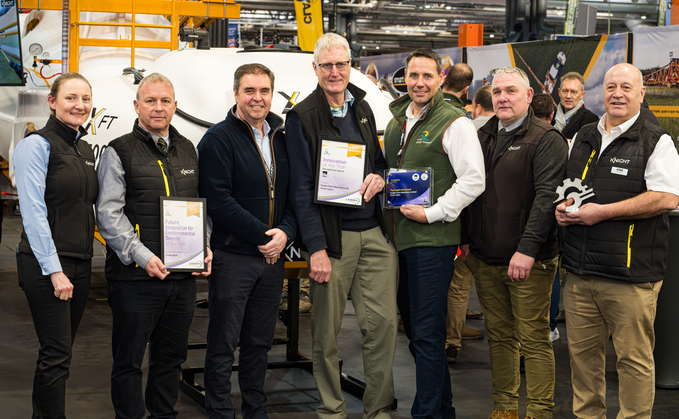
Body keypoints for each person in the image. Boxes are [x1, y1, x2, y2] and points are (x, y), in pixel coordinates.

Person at [285, 33, 399, 419]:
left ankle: (379, 410)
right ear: (315, 68)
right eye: (327, 65)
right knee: (326, 335)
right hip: (332, 241)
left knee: (382, 327)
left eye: (342, 64)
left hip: (375, 235)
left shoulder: (363, 109)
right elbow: (300, 189)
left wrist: (380, 178)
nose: (335, 72)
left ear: (351, 65)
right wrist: (314, 247)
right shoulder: (301, 117)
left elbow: (380, 163)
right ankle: (332, 410)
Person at [556, 63, 679, 419]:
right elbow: (571, 188)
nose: (618, 94)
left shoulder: (657, 141)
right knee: (583, 360)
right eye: (611, 87)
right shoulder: (582, 137)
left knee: (633, 361)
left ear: (641, 93)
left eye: (627, 87)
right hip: (579, 272)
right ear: (601, 92)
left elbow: (666, 197)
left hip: (631, 275)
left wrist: (602, 212)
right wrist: (563, 208)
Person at [96, 73, 212, 419]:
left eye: (165, 101)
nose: (158, 108)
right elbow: (108, 214)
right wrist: (142, 257)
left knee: (170, 359)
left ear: (175, 106)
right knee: (129, 361)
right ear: (137, 106)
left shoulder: (188, 149)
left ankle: (164, 415)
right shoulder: (119, 151)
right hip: (135, 279)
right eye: (150, 101)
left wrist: (204, 246)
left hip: (181, 279)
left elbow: (199, 205)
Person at [383, 48, 485, 419]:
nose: (420, 82)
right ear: (404, 78)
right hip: (400, 242)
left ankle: (425, 414)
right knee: (417, 334)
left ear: (441, 79)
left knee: (426, 336)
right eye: (414, 76)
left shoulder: (454, 122)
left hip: (433, 243)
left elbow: (474, 179)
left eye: (428, 76)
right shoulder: (398, 120)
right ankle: (443, 410)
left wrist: (434, 213)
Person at [462, 66, 567, 419]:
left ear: (527, 96)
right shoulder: (483, 134)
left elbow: (546, 199)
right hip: (485, 257)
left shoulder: (546, 138)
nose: (503, 97)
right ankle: (504, 408)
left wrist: (527, 249)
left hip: (529, 261)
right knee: (501, 337)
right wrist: (466, 241)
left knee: (534, 339)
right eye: (497, 92)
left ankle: (539, 412)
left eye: (510, 91)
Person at [198, 63, 297, 419]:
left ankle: (256, 409)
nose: (257, 98)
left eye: (264, 91)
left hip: (272, 259)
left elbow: (293, 194)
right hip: (234, 257)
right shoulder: (218, 139)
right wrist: (263, 236)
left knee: (259, 342)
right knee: (224, 343)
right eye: (249, 91)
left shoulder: (282, 138)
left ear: (273, 94)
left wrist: (285, 233)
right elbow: (218, 199)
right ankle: (221, 411)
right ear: (236, 94)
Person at [14, 73, 98, 419]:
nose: (80, 105)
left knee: (59, 353)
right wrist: (54, 270)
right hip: (46, 265)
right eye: (71, 98)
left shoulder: (84, 148)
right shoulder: (36, 145)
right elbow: (33, 212)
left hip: (80, 262)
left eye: (86, 99)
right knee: (57, 352)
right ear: (52, 102)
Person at [553, 72, 598, 140]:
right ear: (559, 92)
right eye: (565, 91)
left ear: (582, 95)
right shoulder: (552, 115)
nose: (568, 96)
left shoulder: (591, 120)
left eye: (573, 92)